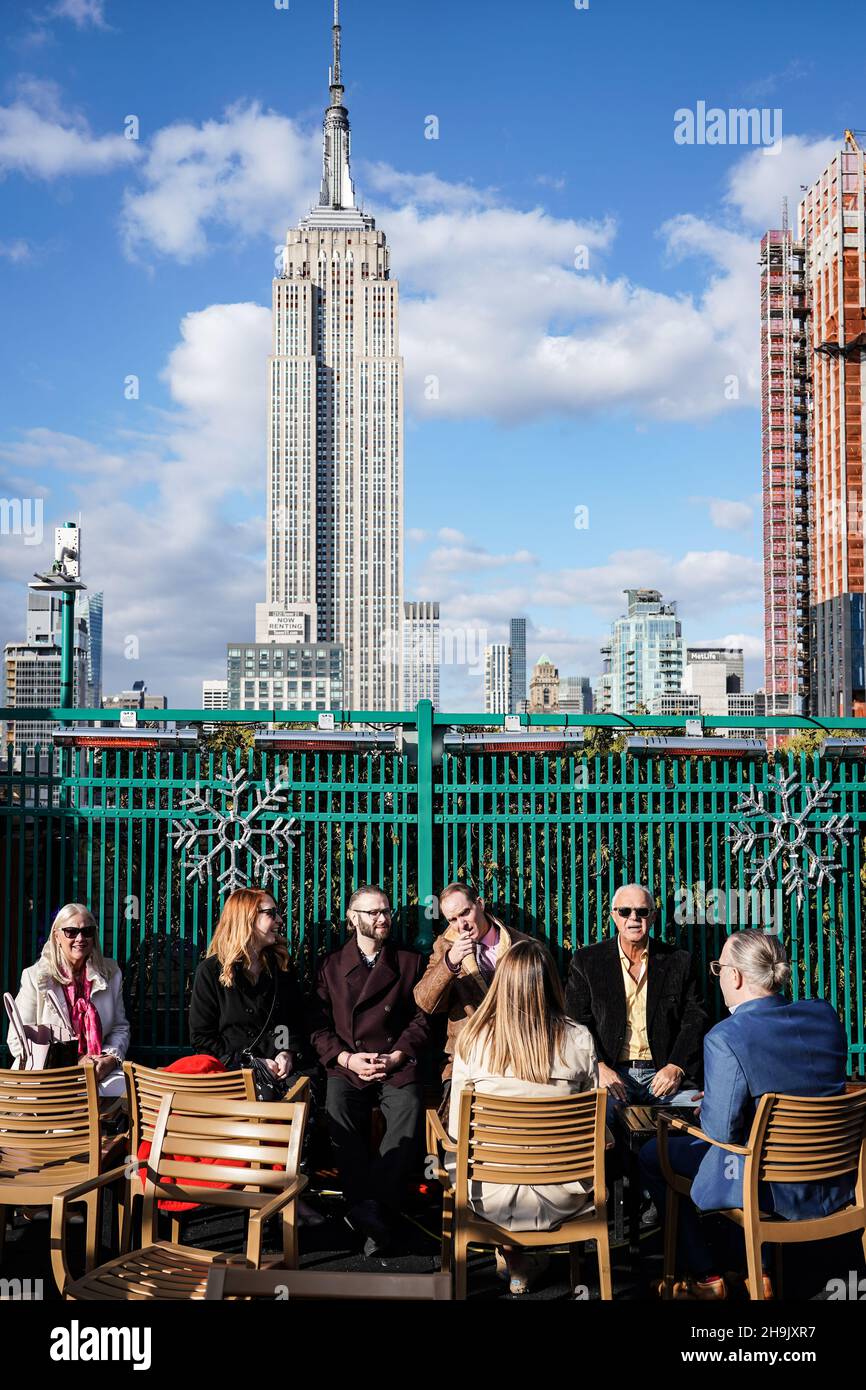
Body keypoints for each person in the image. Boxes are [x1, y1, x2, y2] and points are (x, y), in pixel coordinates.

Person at [640, 929, 853, 1300]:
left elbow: (720, 1131)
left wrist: (711, 1104)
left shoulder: (725, 1036)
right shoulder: (823, 1014)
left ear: (735, 976)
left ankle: (709, 1277)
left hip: (768, 1186)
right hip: (833, 1176)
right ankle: (759, 1271)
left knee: (651, 1156)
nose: (718, 974)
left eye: (718, 967)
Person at [449, 937, 600, 1295]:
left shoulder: (471, 1039)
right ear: (551, 983)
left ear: (501, 982)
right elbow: (594, 1122)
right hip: (566, 1193)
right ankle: (528, 1253)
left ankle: (513, 1253)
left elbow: (457, 1128)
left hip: (486, 1194)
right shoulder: (579, 1039)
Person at [310, 884, 430, 1256]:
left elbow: (421, 1020)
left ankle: (366, 1209)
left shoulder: (410, 962)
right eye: (373, 912)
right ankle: (374, 1212)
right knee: (338, 1114)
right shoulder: (329, 966)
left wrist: (397, 1056)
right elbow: (316, 1026)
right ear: (352, 918)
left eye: (386, 911)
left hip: (393, 1063)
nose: (383, 918)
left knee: (409, 1110)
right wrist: (346, 1059)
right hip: (348, 1065)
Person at [565, 883, 706, 1117]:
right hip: (612, 1073)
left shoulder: (679, 962)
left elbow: (695, 1018)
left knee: (695, 1116)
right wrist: (598, 1066)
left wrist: (677, 1066)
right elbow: (576, 1021)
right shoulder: (587, 961)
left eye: (642, 912)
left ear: (652, 917)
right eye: (625, 911)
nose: (633, 918)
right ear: (614, 916)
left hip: (664, 1073)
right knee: (601, 1121)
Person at [414, 882, 531, 1101]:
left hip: (518, 1055)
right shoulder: (444, 946)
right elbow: (424, 1001)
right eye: (452, 919)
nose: (461, 925)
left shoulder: (520, 944)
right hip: (467, 1059)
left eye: (465, 913)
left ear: (480, 904)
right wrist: (449, 963)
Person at [7, 902, 130, 1098]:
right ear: (57, 936)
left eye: (87, 931)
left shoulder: (110, 973)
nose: (80, 938)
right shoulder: (36, 977)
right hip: (50, 1075)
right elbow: (17, 1039)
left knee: (129, 1093)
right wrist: (72, 1059)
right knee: (66, 1127)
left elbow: (119, 1028)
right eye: (71, 932)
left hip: (97, 1073)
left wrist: (109, 1059)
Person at [189, 888, 305, 1082]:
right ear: (246, 919)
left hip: (280, 1076)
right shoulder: (210, 971)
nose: (279, 920)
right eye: (271, 913)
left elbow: (293, 1021)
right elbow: (202, 1038)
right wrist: (251, 1064)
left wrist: (287, 1052)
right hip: (231, 1075)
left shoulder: (281, 967)